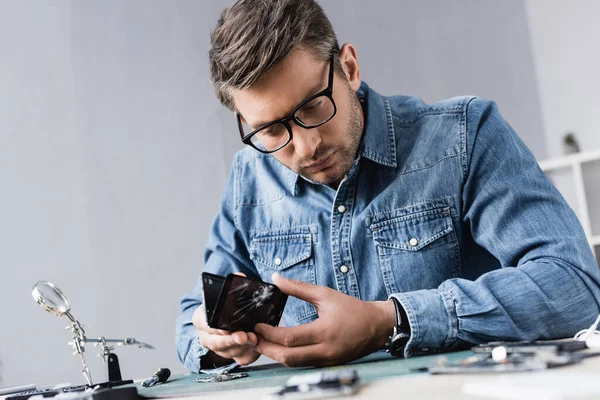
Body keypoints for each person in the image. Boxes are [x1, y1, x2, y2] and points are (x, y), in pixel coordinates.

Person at [176, 0, 600, 372]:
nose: (307, 146)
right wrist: (214, 340)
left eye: (313, 106)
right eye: (270, 130)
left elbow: (574, 287)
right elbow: (190, 323)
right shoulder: (248, 178)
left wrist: (390, 320)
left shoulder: (466, 136)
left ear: (349, 68)